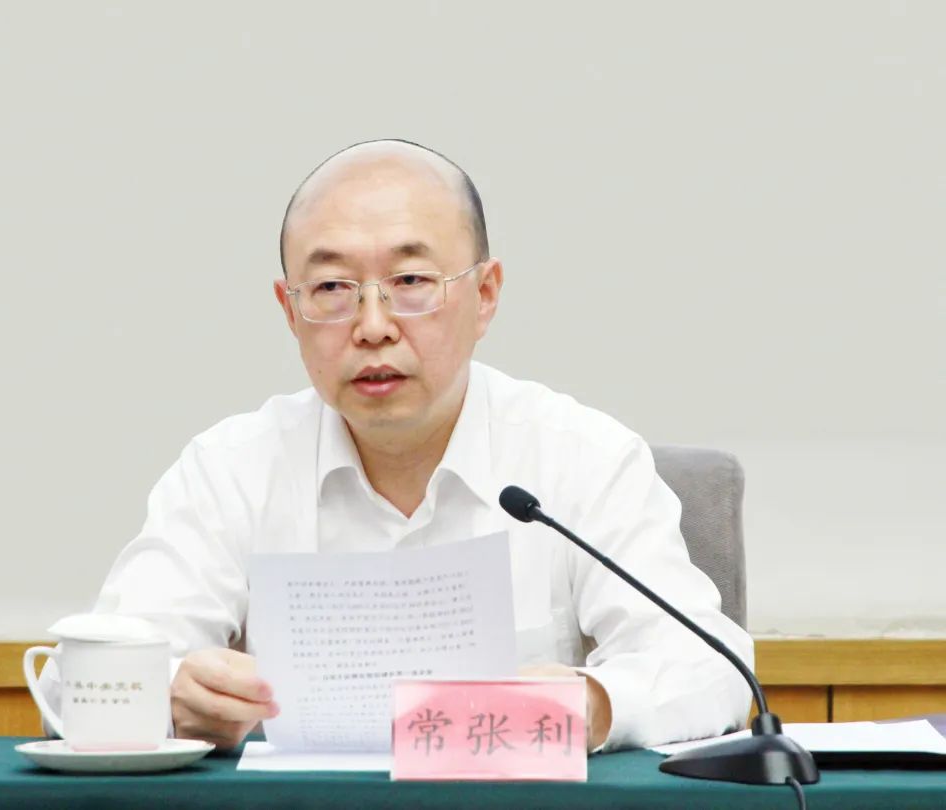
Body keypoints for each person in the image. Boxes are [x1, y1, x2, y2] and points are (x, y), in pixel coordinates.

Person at [40, 139, 753, 752]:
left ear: (486, 294)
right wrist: (169, 693)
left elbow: (712, 668)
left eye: (411, 282)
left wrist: (590, 704)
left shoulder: (581, 458)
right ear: (290, 310)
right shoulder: (231, 469)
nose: (374, 325)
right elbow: (77, 684)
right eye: (332, 287)